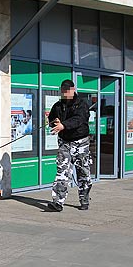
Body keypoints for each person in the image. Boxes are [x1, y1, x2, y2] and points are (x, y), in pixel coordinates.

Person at [47, 79, 92, 211]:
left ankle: (84, 199)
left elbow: (79, 120)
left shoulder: (81, 105)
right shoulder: (57, 106)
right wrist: (54, 122)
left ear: (73, 90)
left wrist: (64, 125)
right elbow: (51, 119)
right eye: (63, 91)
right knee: (62, 171)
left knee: (83, 171)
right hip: (64, 142)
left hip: (80, 142)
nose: (65, 94)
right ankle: (58, 202)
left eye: (67, 91)